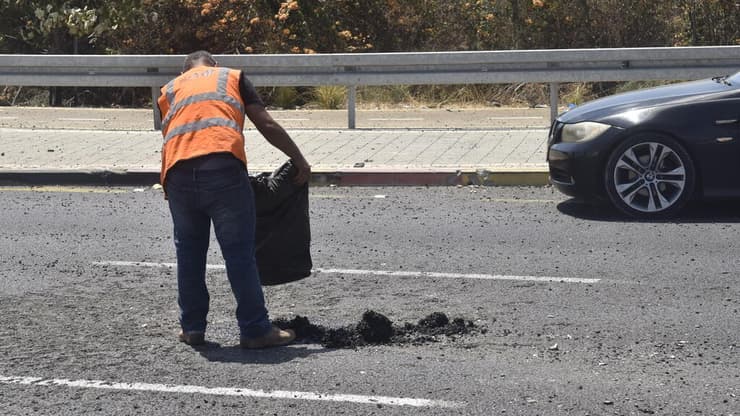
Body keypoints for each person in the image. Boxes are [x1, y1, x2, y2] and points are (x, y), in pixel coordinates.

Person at [157, 50, 311, 348]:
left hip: (177, 174)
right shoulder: (230, 76)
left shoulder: (170, 89)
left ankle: (192, 329)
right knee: (238, 253)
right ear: (212, 64)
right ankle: (255, 330)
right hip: (222, 169)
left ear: (184, 71)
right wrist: (298, 160)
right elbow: (265, 124)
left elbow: (174, 136)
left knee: (189, 254)